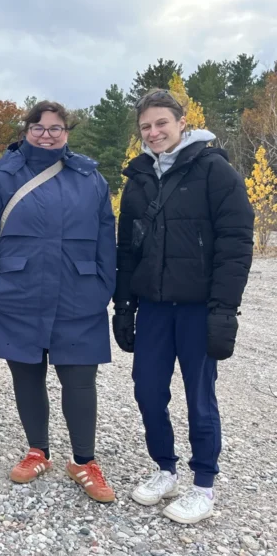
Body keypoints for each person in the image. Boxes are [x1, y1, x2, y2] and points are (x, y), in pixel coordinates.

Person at [0, 101, 116, 503]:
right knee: (27, 375)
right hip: (16, 291)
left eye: (56, 128)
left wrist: (103, 286)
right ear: (25, 129)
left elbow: (106, 238)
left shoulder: (91, 178)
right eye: (39, 127)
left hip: (79, 293)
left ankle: (84, 460)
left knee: (80, 380)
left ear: (68, 131)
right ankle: (37, 450)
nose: (47, 135)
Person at [113, 89, 254, 523]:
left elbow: (235, 244)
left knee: (199, 397)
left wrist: (223, 310)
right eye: (146, 127)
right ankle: (165, 469)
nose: (154, 133)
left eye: (161, 123)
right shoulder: (137, 179)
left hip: (197, 308)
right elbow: (127, 250)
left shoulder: (215, 172)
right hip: (155, 308)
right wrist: (124, 306)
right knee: (148, 391)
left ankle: (203, 485)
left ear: (182, 123)